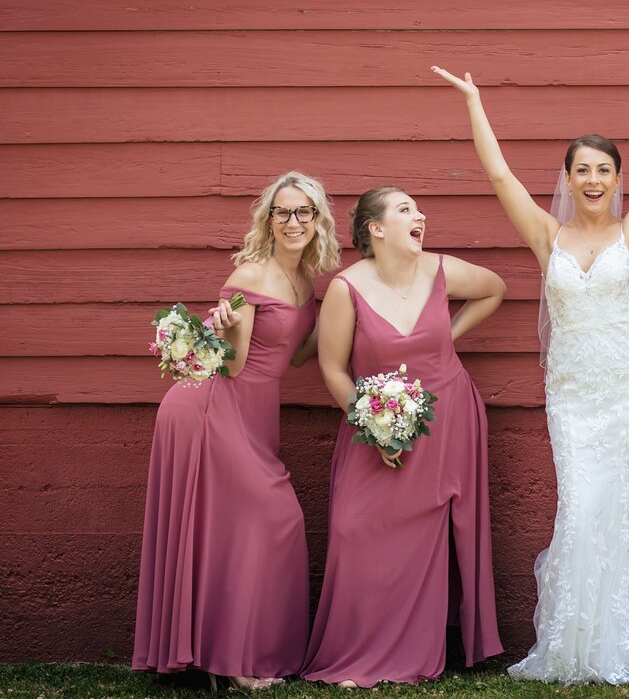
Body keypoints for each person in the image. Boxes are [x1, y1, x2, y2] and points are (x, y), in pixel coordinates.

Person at [432, 40, 629, 684]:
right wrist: (475, 104)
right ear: (566, 179)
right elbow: (500, 176)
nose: (593, 180)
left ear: (618, 179)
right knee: (581, 505)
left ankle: (620, 641)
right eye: (581, 170)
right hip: (573, 392)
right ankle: (572, 642)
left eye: (604, 170)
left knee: (625, 509)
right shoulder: (547, 236)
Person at [133, 172, 340, 689]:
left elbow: (293, 354)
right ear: (268, 220)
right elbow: (233, 364)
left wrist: (348, 329)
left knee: (237, 529)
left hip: (254, 411)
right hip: (211, 406)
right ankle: (236, 663)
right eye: (283, 212)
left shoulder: (305, 281)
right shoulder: (251, 276)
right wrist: (224, 331)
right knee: (275, 521)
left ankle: (227, 653)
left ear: (318, 220)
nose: (294, 222)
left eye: (304, 212)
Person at [302, 186, 505, 688]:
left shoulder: (440, 270)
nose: (421, 216)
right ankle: (354, 655)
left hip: (449, 414)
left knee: (429, 534)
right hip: (376, 424)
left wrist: (443, 339)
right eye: (406, 210)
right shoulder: (347, 290)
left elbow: (494, 288)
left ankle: (411, 656)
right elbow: (331, 368)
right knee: (355, 528)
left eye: (417, 209)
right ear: (376, 229)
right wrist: (373, 429)